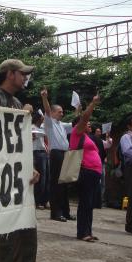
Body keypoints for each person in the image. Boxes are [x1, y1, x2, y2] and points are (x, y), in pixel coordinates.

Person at [0, 59, 46, 262]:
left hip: (19, 171)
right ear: (9, 74)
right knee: (4, 226)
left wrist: (32, 166)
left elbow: (21, 140)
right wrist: (22, 113)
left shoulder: (17, 101)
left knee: (27, 224)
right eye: (22, 73)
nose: (25, 77)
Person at [41, 88, 77, 222]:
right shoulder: (49, 123)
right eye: (60, 111)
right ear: (53, 112)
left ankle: (65, 211)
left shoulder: (62, 125)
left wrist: (78, 109)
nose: (62, 113)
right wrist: (45, 98)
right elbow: (47, 110)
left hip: (65, 154)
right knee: (56, 184)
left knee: (65, 184)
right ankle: (56, 212)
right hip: (56, 154)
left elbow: (75, 123)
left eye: (62, 112)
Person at [70, 95, 101, 242]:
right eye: (86, 123)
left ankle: (87, 230)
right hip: (86, 172)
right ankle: (82, 233)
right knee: (85, 203)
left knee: (90, 204)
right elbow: (85, 117)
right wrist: (93, 103)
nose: (89, 124)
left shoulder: (87, 137)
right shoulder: (77, 133)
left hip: (94, 173)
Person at [32, 112, 49, 210]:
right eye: (42, 117)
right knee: (41, 179)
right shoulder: (31, 127)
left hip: (44, 152)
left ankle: (44, 200)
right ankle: (38, 201)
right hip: (36, 152)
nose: (43, 119)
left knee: (46, 178)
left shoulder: (42, 128)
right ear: (38, 118)